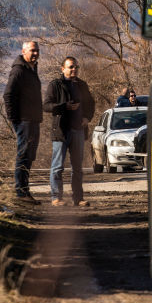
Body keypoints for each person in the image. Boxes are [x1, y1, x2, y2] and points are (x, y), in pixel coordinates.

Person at [43, 56, 96, 206]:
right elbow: (46, 106)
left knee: (77, 167)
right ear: (63, 69)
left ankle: (78, 199)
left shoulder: (82, 85)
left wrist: (87, 118)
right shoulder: (55, 85)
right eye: (71, 67)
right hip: (61, 131)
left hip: (78, 131)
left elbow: (91, 104)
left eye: (76, 67)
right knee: (58, 166)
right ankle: (56, 198)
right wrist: (64, 106)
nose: (74, 70)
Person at [3, 41, 42, 203]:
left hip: (33, 120)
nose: (35, 53)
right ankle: (20, 192)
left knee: (29, 156)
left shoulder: (31, 69)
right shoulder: (19, 70)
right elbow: (8, 95)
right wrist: (15, 120)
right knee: (23, 155)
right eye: (32, 50)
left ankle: (25, 191)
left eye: (37, 50)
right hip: (24, 121)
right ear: (23, 51)